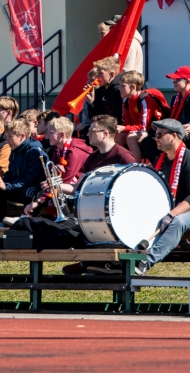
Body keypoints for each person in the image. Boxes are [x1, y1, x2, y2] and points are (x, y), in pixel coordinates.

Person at [57, 115, 137, 275]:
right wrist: (57, 186)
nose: (88, 134)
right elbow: (78, 189)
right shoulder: (92, 157)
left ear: (105, 134)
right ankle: (89, 261)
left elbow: (136, 184)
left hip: (119, 212)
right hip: (95, 210)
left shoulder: (124, 156)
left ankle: (100, 262)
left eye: (92, 131)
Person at [134, 119, 190, 276]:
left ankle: (146, 262)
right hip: (169, 210)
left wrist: (171, 214)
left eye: (160, 135)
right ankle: (125, 257)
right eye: (155, 135)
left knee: (178, 221)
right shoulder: (159, 160)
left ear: (174, 136)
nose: (156, 138)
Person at [0, 119, 47, 223]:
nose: (7, 141)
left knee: (28, 191)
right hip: (19, 187)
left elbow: (30, 180)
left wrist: (8, 186)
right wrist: (2, 182)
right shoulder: (15, 150)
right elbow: (11, 173)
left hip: (36, 191)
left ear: (22, 136)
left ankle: (28, 221)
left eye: (10, 137)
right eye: (6, 137)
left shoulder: (35, 152)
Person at [117, 70, 169, 163]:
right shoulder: (126, 101)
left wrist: (124, 128)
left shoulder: (144, 100)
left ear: (133, 87)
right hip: (138, 129)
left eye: (123, 86)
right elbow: (126, 121)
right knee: (118, 137)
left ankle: (135, 165)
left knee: (131, 138)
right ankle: (124, 162)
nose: (119, 88)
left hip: (152, 130)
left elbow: (143, 127)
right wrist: (122, 128)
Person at [44, 116, 92, 191]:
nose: (47, 136)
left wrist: (40, 200)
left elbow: (66, 180)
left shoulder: (74, 152)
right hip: (64, 187)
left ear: (62, 134)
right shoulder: (57, 148)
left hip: (80, 190)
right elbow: (51, 171)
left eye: (51, 133)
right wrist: (54, 167)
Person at [84, 57, 122, 123]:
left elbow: (116, 119)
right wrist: (91, 102)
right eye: (97, 73)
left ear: (112, 74)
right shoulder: (101, 90)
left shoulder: (118, 90)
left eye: (100, 73)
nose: (97, 76)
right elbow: (94, 118)